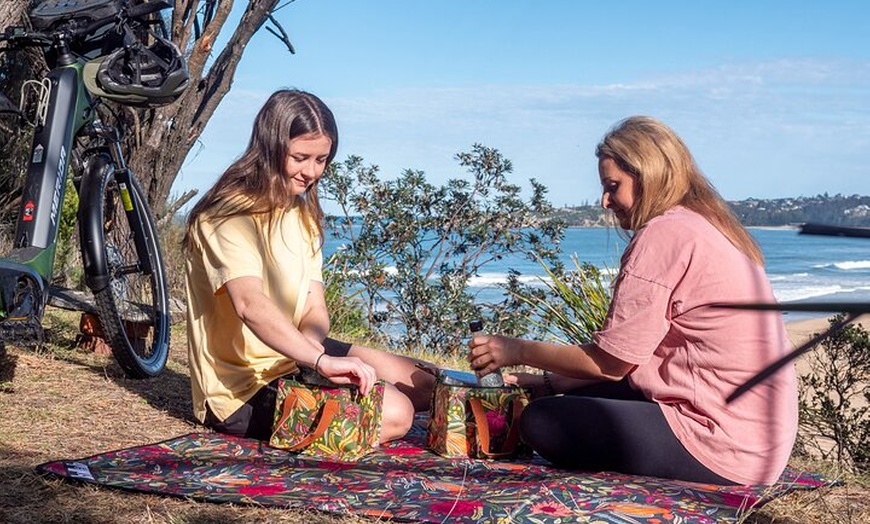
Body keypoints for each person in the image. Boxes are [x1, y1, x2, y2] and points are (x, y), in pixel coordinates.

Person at [468, 116, 798, 485]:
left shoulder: (664, 235)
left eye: (613, 187)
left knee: (542, 420)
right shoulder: (708, 225)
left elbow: (610, 364)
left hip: (724, 444)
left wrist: (516, 350)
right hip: (761, 441)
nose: (605, 201)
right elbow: (632, 360)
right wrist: (548, 382)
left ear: (649, 175)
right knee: (574, 397)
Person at [183, 89, 434, 444]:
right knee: (396, 413)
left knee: (425, 383)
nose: (311, 172)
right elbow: (249, 304)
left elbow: (314, 306)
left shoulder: (302, 214)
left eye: (321, 160)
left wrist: (313, 354)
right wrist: (319, 363)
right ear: (269, 147)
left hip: (298, 355)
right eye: (300, 157)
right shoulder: (226, 216)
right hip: (242, 389)